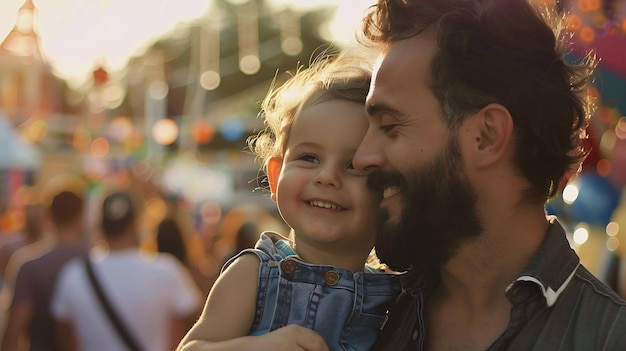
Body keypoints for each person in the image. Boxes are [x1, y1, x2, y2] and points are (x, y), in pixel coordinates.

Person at [349, 0, 626, 350]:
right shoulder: (358, 320)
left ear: (486, 136)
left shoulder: (608, 339)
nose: (361, 158)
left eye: (389, 126)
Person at [177, 51, 399, 351]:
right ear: (275, 175)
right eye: (309, 157)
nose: (327, 177)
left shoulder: (397, 297)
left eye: (353, 165)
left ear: (389, 189)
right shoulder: (254, 274)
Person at [50, 190, 202, 351]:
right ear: (135, 223)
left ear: (100, 225)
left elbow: (64, 336)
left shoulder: (74, 274)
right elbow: (200, 323)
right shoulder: (166, 270)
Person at [1, 189, 87, 351]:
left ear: (49, 217)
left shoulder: (29, 266)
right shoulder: (95, 264)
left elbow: (13, 335)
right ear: (82, 217)